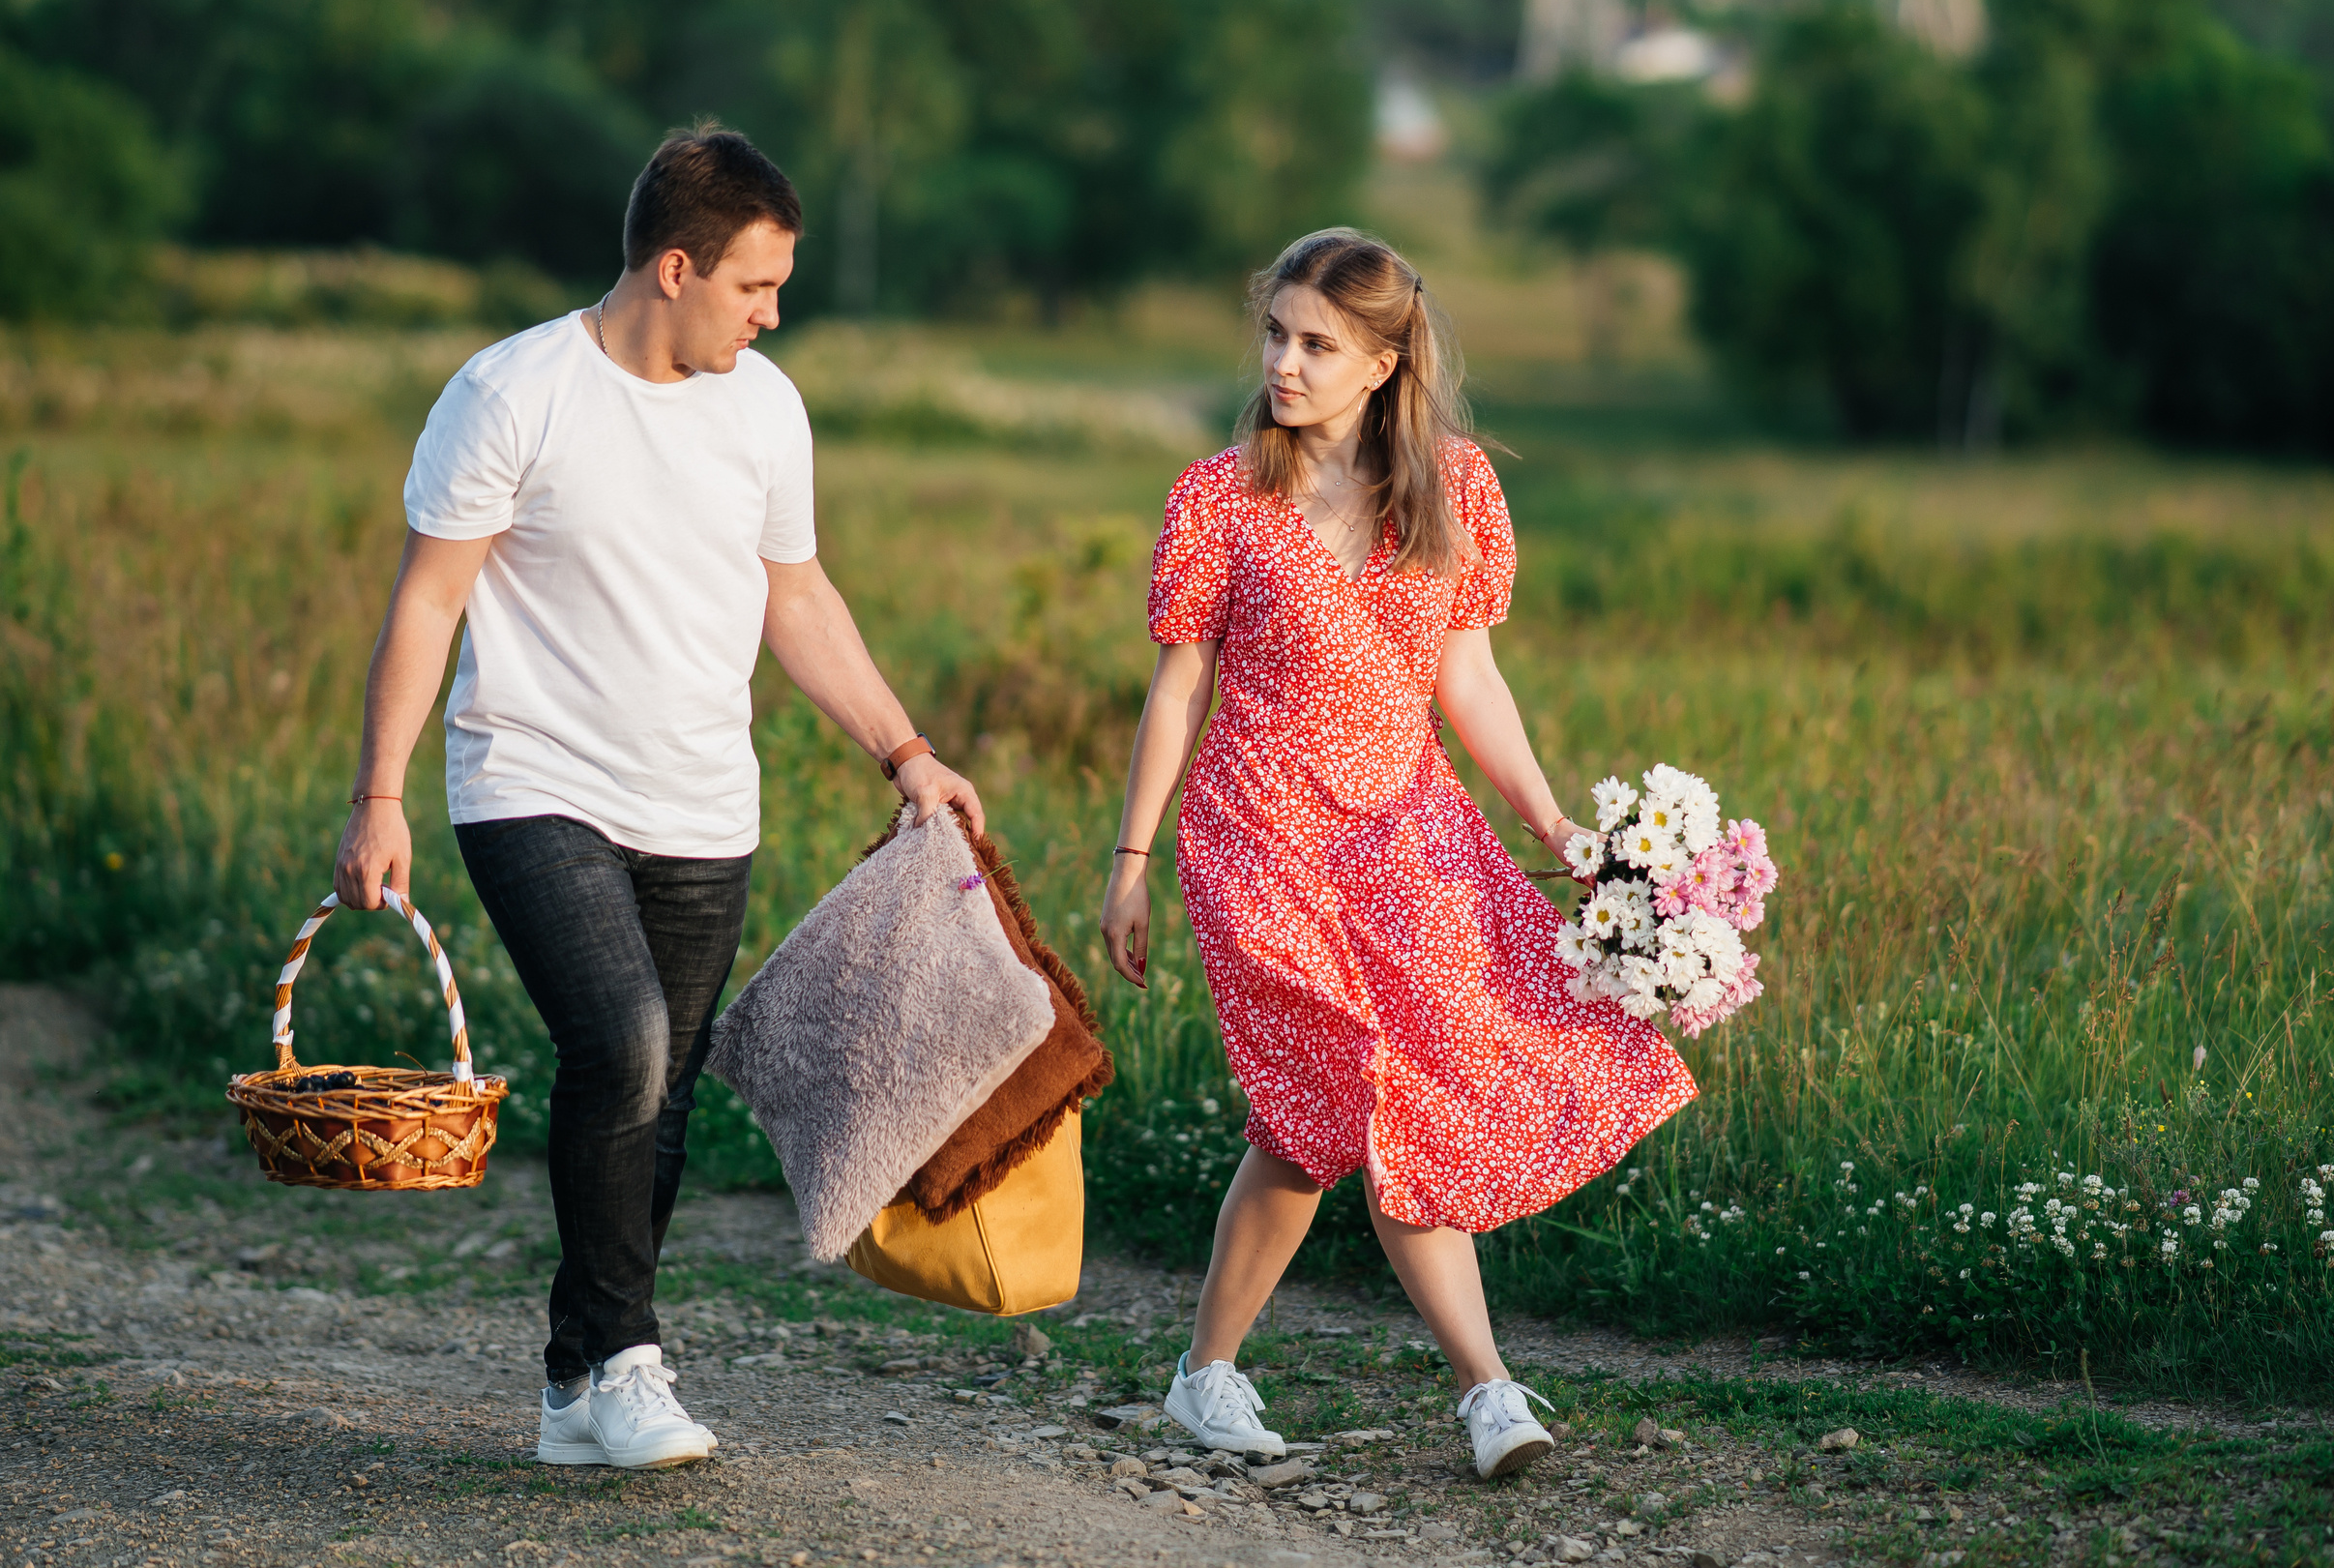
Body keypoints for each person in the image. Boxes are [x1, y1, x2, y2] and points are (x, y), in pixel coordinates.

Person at [331, 124, 980, 1470]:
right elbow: (431, 598)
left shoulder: (766, 408)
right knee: (623, 1041)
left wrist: (905, 752)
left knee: (659, 1090)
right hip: (531, 777)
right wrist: (379, 794)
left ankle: (575, 1377)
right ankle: (632, 1361)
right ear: (674, 267)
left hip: (701, 801)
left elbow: (795, 596)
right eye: (755, 287)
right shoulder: (511, 392)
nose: (773, 313)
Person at [1098, 229, 1697, 1480]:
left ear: (1384, 363)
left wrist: (1559, 835)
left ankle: (1226, 1376)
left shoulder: (1457, 487)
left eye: (1319, 345)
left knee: (1347, 1115)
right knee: (1351, 1090)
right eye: (1275, 334)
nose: (1286, 363)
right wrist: (1133, 855)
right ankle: (1468, 1390)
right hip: (1257, 833)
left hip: (1408, 829)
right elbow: (1179, 684)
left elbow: (1468, 683)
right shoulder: (1219, 496)